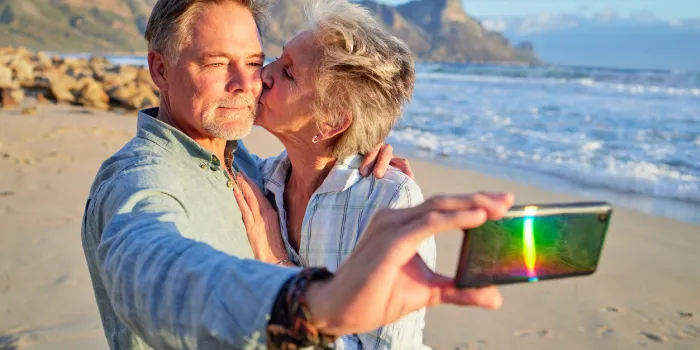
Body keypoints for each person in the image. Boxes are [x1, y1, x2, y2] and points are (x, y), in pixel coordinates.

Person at [80, 0, 514, 349]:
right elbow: (145, 265)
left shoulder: (257, 169)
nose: (251, 83)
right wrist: (304, 300)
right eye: (215, 63)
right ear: (159, 69)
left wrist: (360, 160)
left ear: (331, 122)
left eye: (257, 62)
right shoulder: (140, 180)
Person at [232, 1, 433, 348]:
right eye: (278, 58)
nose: (264, 73)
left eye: (288, 73)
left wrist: (280, 268)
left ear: (330, 121)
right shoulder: (257, 177)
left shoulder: (388, 204)